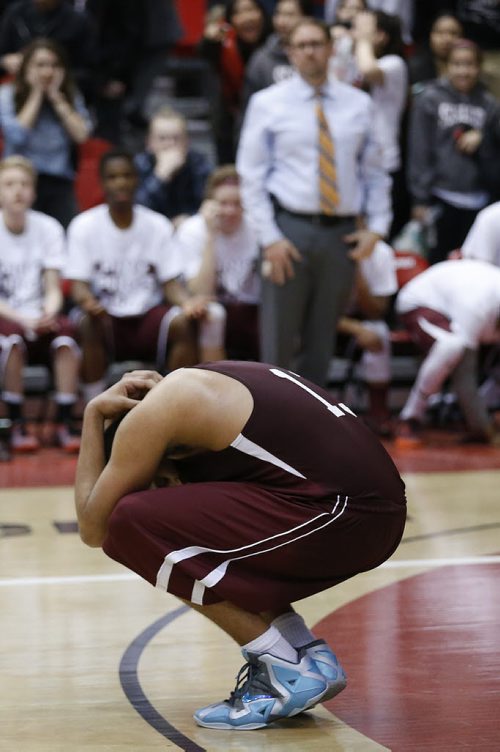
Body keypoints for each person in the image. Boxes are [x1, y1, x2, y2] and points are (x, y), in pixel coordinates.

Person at [74, 359, 407, 729]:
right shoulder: (208, 384)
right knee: (218, 545)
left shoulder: (152, 416)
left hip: (345, 514)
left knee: (131, 522)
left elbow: (94, 527)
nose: (170, 490)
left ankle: (282, 669)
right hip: (366, 513)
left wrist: (91, 415)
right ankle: (306, 655)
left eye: (162, 482)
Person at [237, 17, 391, 388]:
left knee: (323, 338)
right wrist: (269, 238)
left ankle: (313, 433)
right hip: (288, 228)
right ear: (290, 52)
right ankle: (270, 428)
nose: (309, 52)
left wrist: (378, 228)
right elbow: (251, 176)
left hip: (341, 232)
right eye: (301, 45)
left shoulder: (359, 104)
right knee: (279, 338)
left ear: (331, 48)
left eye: (316, 44)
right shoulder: (267, 103)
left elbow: (376, 172)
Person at [65, 148, 226, 404]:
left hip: (146, 315)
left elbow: (170, 283)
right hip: (105, 315)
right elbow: (78, 286)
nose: (120, 182)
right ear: (102, 182)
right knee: (86, 322)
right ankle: (94, 408)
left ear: (137, 180)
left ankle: (170, 406)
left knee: (184, 322)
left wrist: (187, 303)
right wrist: (87, 302)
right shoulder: (84, 226)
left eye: (127, 175)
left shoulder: (157, 224)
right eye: (113, 176)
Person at [0, 155, 81, 454]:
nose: (17, 191)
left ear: (33, 191)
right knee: (10, 340)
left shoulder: (48, 228)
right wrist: (23, 319)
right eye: (9, 184)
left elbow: (52, 284)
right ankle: (17, 421)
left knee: (66, 334)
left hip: (38, 316)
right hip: (9, 316)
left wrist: (50, 310)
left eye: (23, 184)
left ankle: (64, 421)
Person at [407, 38, 500, 265]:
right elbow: (419, 149)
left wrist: (484, 136)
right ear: (447, 66)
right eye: (457, 64)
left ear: (478, 67)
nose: (464, 71)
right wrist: (420, 198)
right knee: (438, 264)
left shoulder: (489, 104)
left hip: (479, 201)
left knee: (472, 268)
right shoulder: (430, 98)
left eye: (469, 64)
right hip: (441, 197)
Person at [394, 258, 500, 447]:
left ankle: (479, 420)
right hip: (421, 303)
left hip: (459, 307)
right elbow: (464, 374)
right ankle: (410, 418)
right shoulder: (476, 306)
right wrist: (484, 429)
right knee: (452, 347)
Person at [0, 37, 92, 227]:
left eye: (54, 65)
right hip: (20, 180)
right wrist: (36, 94)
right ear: (26, 68)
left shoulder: (70, 96)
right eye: (40, 65)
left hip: (58, 180)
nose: (47, 72)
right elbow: (16, 136)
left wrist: (56, 99)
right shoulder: (7, 94)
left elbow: (82, 135)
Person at [175, 165, 261, 360]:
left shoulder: (257, 228)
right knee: (214, 315)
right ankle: (216, 385)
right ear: (209, 204)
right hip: (211, 311)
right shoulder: (192, 230)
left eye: (237, 203)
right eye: (223, 203)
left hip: (251, 310)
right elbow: (201, 293)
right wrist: (211, 236)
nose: (230, 211)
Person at [352, 9, 409, 237]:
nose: (354, 33)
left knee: (377, 236)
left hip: (383, 164)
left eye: (363, 29)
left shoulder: (394, 64)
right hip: (353, 161)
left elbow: (368, 70)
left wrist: (362, 41)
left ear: (381, 36)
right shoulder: (353, 59)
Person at [336, 238, 398, 435]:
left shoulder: (381, 253)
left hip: (353, 320)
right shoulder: (322, 243)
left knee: (378, 332)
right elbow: (311, 313)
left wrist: (357, 273)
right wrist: (354, 328)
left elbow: (378, 310)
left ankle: (378, 414)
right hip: (315, 325)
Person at [200, 0, 271, 163]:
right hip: (230, 122)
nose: (247, 18)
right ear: (230, 20)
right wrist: (210, 40)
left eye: (252, 10)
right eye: (239, 13)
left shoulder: (275, 45)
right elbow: (204, 52)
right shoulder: (223, 45)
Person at [134, 106, 213, 228]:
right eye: (162, 138)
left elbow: (208, 205)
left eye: (176, 139)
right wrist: (160, 176)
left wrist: (190, 218)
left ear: (187, 142)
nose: (169, 144)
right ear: (149, 143)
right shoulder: (139, 164)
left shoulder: (198, 165)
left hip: (189, 232)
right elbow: (136, 210)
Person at [0, 0, 96, 97]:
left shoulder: (78, 20)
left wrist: (56, 75)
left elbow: (89, 71)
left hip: (61, 92)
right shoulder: (16, 13)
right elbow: (3, 53)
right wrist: (4, 61)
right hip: (18, 89)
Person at [242, 0, 309, 107]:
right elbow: (248, 105)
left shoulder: (314, 55)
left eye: (290, 15)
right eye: (278, 14)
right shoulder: (261, 58)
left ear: (306, 18)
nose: (282, 21)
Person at [408, 13, 463, 89]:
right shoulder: (415, 68)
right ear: (431, 36)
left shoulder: (468, 71)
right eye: (440, 33)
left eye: (453, 33)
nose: (446, 39)